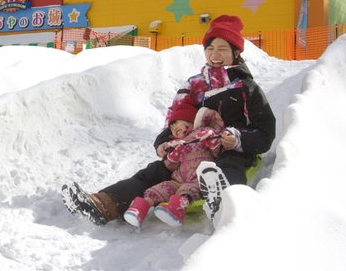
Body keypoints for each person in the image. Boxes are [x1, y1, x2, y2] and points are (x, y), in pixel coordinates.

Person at [62, 14, 277, 227]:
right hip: (190, 150)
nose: (215, 54)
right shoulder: (193, 85)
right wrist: (164, 143)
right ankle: (103, 204)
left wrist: (237, 140)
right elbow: (175, 121)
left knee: (229, 165)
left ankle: (222, 202)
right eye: (210, 48)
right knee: (153, 172)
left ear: (236, 53)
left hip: (226, 149)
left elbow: (265, 132)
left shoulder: (246, 88)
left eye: (222, 48)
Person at [124, 103, 224, 229]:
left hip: (198, 179)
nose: (173, 128)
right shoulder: (175, 143)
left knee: (187, 190)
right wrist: (172, 158)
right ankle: (140, 208)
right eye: (171, 127)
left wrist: (212, 142)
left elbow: (218, 152)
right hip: (178, 180)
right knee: (161, 188)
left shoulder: (204, 133)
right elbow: (169, 166)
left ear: (189, 120)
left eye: (176, 123)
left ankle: (176, 210)